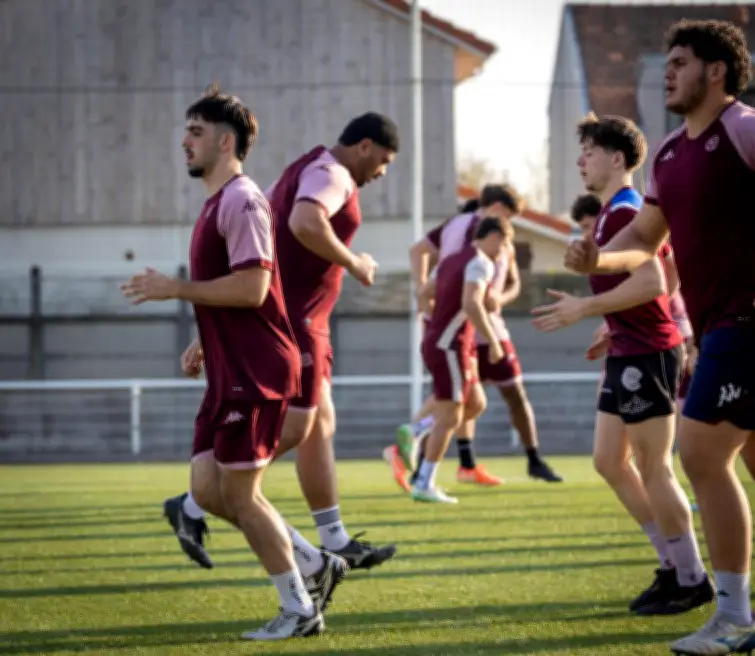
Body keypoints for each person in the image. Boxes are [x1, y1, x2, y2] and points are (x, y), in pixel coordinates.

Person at [564, 19, 755, 654]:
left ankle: (735, 619)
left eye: (679, 62)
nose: (667, 71)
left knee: (699, 455)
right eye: (666, 62)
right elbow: (643, 241)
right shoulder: (669, 153)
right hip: (725, 327)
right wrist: (597, 261)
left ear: (715, 71)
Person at [123, 85, 346, 640]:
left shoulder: (243, 201)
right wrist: (207, 336)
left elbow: (253, 287)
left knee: (241, 496)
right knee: (208, 491)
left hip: (257, 371)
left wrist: (177, 288)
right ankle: (317, 565)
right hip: (230, 368)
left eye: (195, 132)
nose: (184, 141)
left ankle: (299, 609)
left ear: (226, 142)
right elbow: (237, 292)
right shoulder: (217, 203)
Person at [165, 113, 401, 573]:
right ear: (366, 146)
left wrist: (208, 327)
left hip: (295, 319)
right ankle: (195, 502)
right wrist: (356, 263)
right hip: (292, 326)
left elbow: (257, 248)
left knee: (319, 426)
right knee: (293, 429)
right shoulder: (332, 174)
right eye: (385, 161)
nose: (382, 173)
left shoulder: (299, 170)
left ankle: (335, 537)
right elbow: (305, 222)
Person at [533, 113, 712, 617]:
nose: (579, 160)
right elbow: (669, 277)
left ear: (616, 159)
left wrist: (586, 308)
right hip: (630, 347)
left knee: (654, 467)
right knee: (610, 462)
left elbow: (655, 281)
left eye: (588, 150)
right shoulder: (619, 212)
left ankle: (692, 578)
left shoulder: (626, 210)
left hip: (650, 353)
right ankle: (671, 564)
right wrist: (613, 324)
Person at [384, 185, 562, 491]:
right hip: (465, 330)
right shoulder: (474, 244)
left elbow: (433, 270)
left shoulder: (477, 239)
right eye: (506, 215)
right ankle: (420, 467)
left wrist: (425, 300)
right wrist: (485, 331)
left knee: (472, 400)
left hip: (465, 327)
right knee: (452, 401)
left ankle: (436, 452)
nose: (509, 229)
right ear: (493, 208)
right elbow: (467, 298)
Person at [412, 217, 514, 502]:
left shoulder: (450, 259)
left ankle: (415, 431)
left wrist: (434, 322)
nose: (505, 249)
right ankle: (424, 482)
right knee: (451, 415)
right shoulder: (481, 262)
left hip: (443, 341)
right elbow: (471, 303)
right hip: (450, 345)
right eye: (505, 242)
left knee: (475, 403)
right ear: (493, 236)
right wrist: (493, 341)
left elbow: (423, 293)